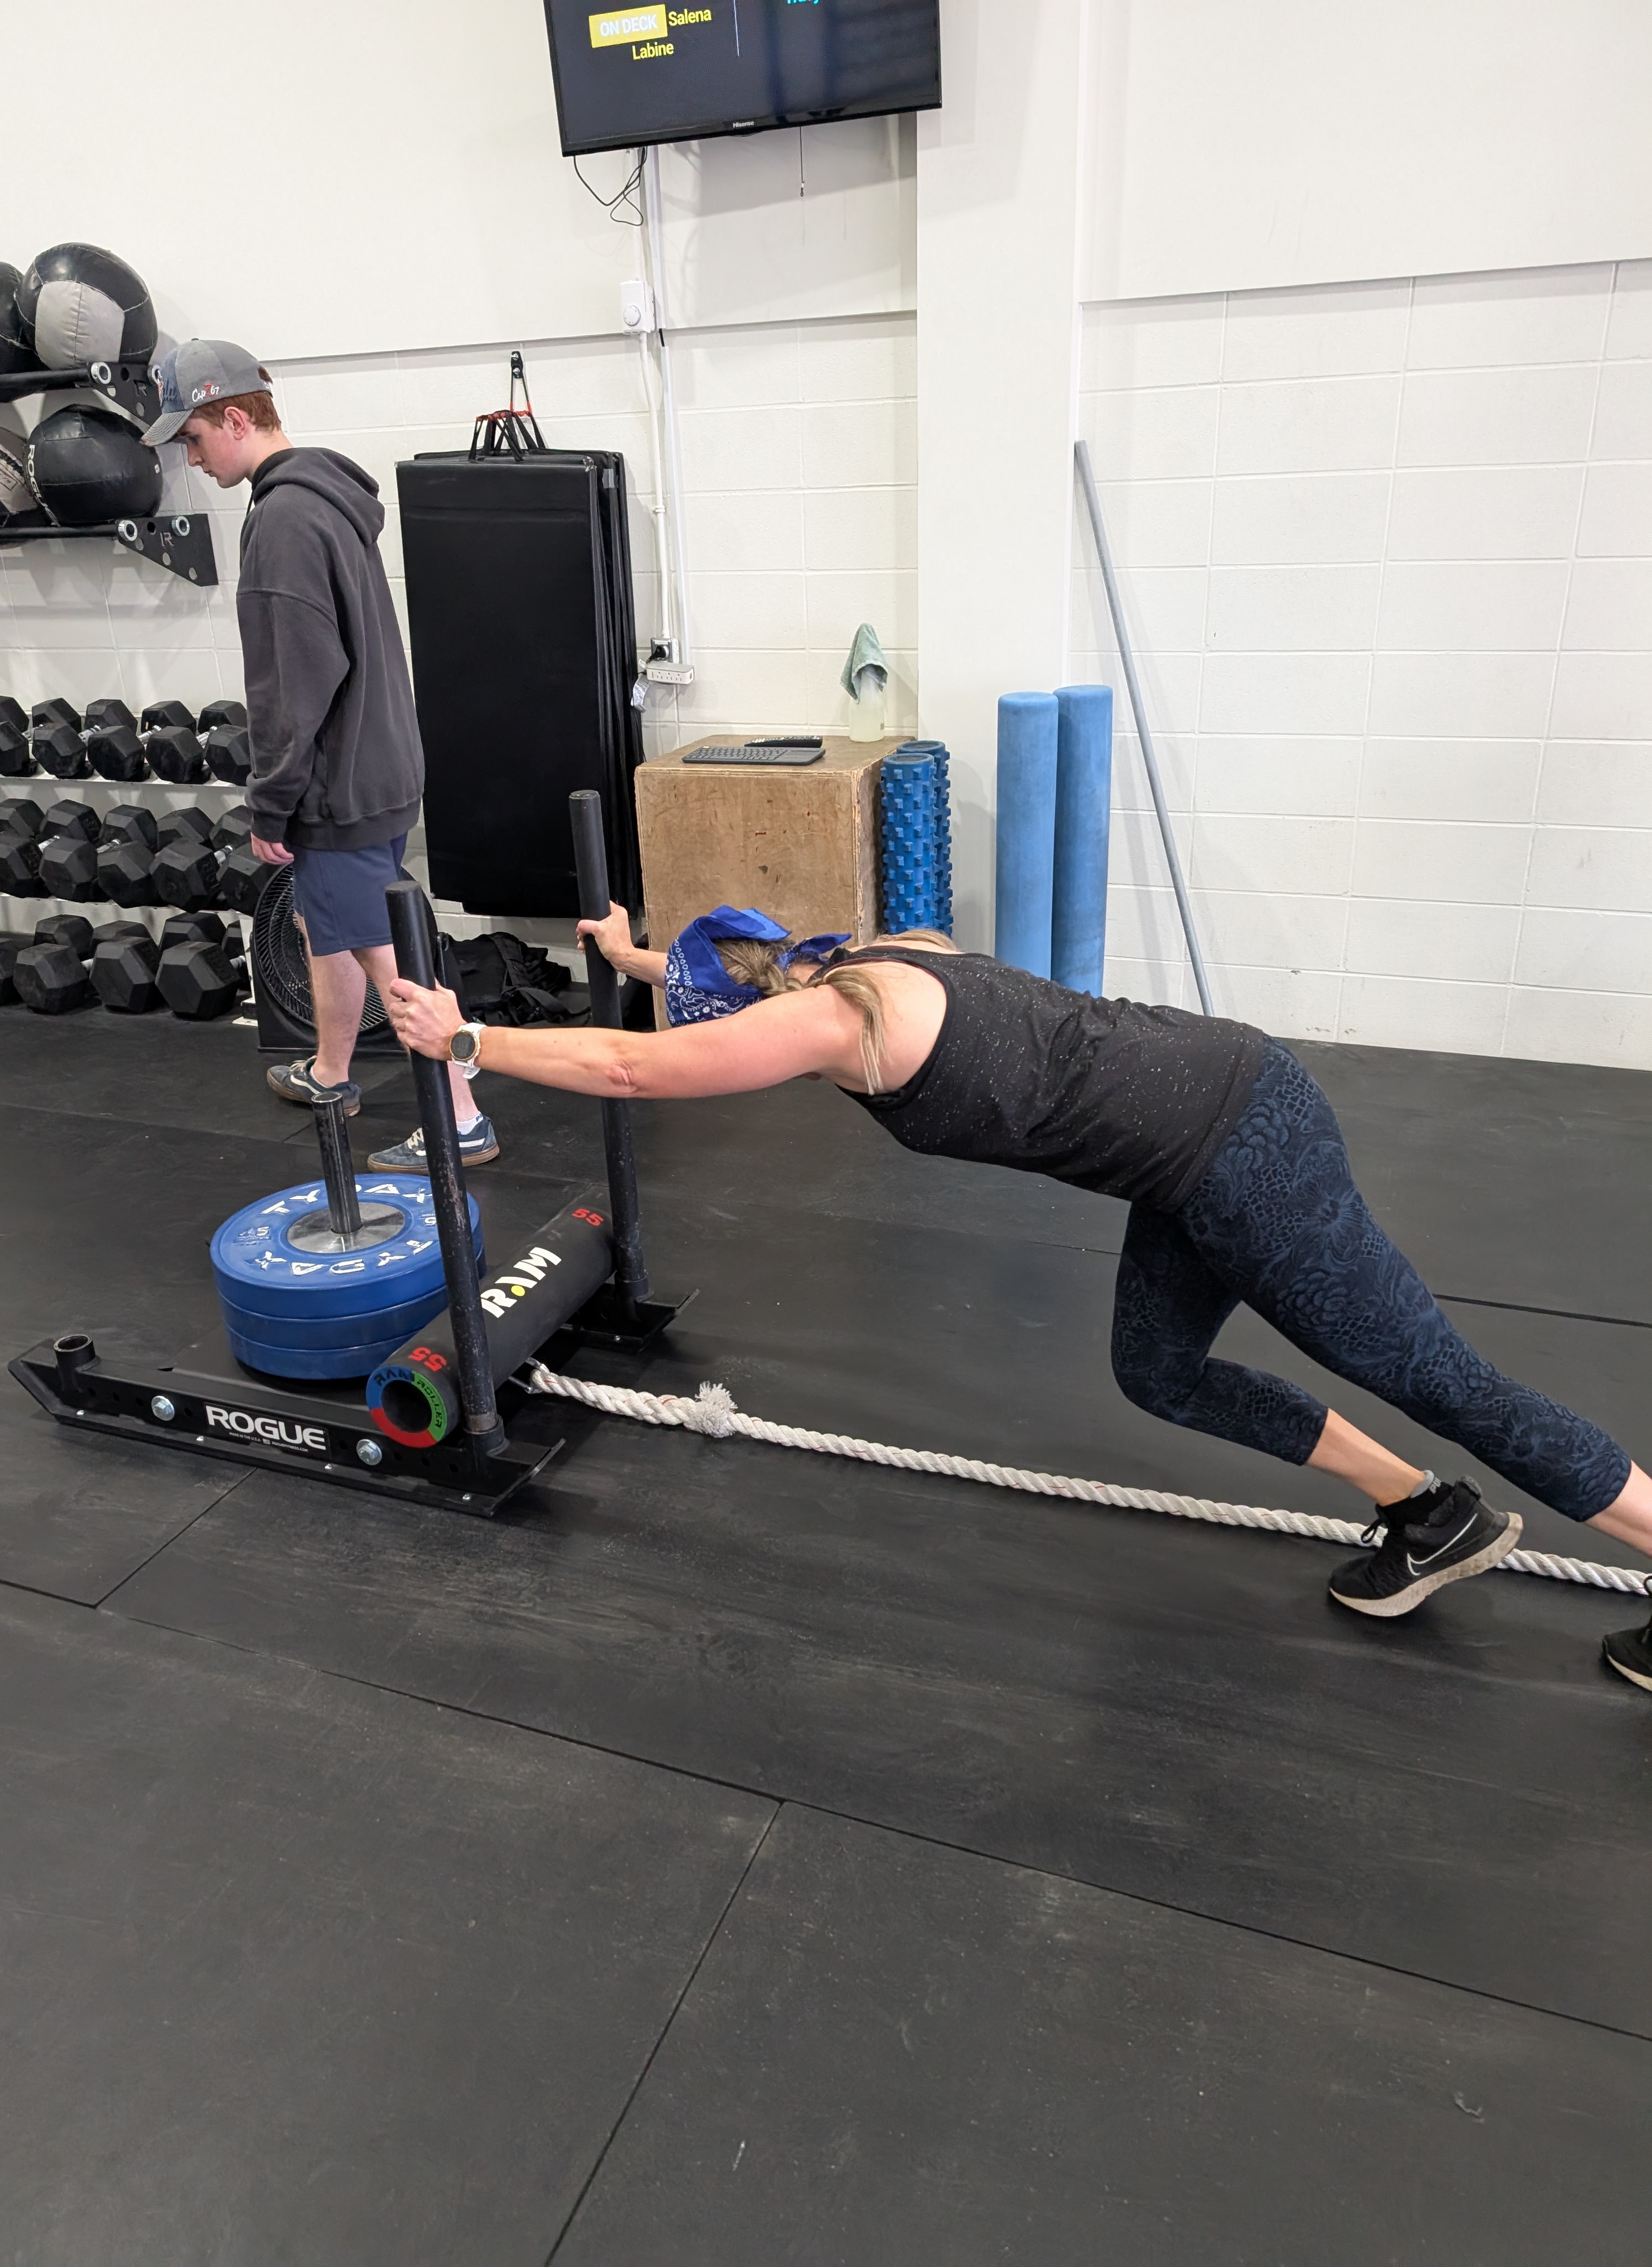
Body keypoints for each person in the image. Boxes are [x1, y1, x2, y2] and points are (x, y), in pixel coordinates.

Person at [387, 903, 1652, 1691]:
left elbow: (634, 1066)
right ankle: (1425, 1511)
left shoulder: (837, 1025)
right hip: (1206, 1118)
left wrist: (463, 1041)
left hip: (1239, 1153)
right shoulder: (877, 953)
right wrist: (634, 952)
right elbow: (729, 979)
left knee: (1435, 1374)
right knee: (1160, 1372)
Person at [143, 337, 497, 1169]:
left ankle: (463, 1113)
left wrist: (272, 803)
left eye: (192, 439)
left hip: (335, 783)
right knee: (325, 919)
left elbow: (290, 682)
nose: (190, 459)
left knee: (383, 950)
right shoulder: (325, 498)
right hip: (378, 764)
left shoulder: (284, 520)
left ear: (235, 416)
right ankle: (333, 1072)